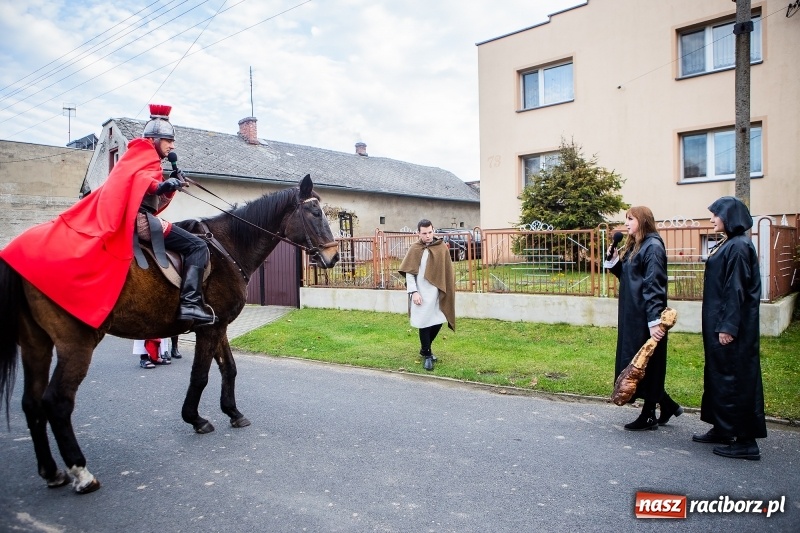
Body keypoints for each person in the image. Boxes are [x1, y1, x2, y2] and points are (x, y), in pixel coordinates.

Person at [0, 104, 215, 328]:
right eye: (168, 140)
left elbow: (151, 198)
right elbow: (140, 180)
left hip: (143, 217)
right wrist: (158, 185)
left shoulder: (147, 159)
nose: (172, 145)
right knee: (198, 247)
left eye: (172, 141)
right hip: (142, 222)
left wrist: (169, 186)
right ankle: (190, 304)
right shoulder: (142, 154)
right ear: (153, 140)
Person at [692, 196, 766, 460]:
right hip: (719, 324)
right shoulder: (731, 243)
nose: (711, 219)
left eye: (715, 215)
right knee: (719, 376)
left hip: (731, 328)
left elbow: (736, 290)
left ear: (729, 217)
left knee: (735, 379)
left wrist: (728, 327)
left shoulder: (739, 246)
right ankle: (723, 428)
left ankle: (745, 441)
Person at [605, 206, 682, 431]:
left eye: (631, 219)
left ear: (643, 220)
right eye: (626, 219)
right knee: (635, 362)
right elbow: (629, 278)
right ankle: (667, 406)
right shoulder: (635, 245)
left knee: (648, 364)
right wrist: (615, 261)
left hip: (645, 315)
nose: (626, 223)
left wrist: (655, 320)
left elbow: (653, 285)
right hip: (632, 314)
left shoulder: (653, 247)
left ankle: (649, 415)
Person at [398, 220, 455, 371]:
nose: (428, 235)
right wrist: (414, 292)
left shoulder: (441, 247)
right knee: (424, 323)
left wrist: (445, 290)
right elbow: (409, 274)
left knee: (438, 320)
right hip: (421, 293)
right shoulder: (415, 248)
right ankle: (428, 355)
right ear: (418, 233)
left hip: (437, 292)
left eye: (430, 232)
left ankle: (424, 350)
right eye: (424, 233)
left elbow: (447, 271)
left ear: (433, 230)